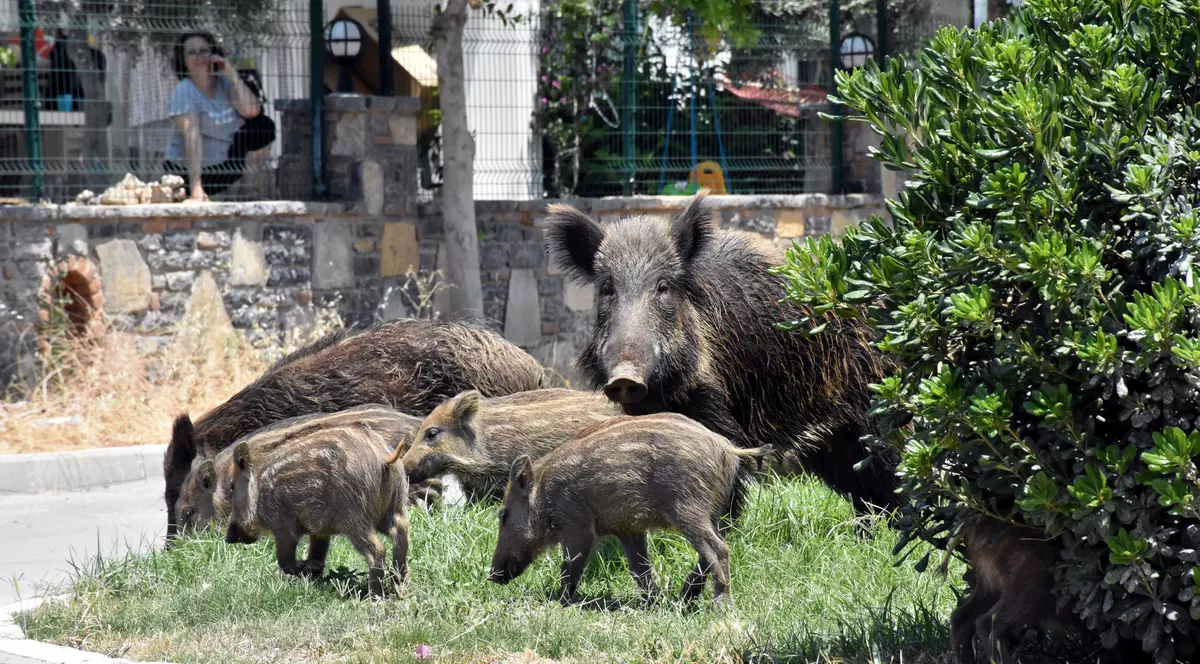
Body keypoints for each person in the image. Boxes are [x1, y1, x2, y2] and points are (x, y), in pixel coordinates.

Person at [162, 32, 275, 202]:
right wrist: (196, 187)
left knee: (263, 125)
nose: (199, 57)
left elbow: (252, 111)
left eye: (204, 51)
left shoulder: (224, 83)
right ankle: (197, 190)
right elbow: (192, 137)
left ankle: (251, 191)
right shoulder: (184, 90)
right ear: (183, 60)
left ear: (213, 53)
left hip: (224, 167)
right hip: (189, 173)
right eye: (192, 53)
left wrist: (230, 72)